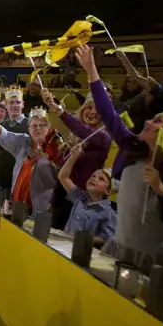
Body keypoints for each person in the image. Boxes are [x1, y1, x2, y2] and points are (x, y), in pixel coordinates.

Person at [76, 44, 163, 274]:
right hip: (121, 249)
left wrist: (162, 188)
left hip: (154, 261)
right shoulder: (131, 147)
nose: (148, 122)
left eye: (157, 123)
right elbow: (108, 113)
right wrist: (91, 70)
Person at [0, 102, 63, 214]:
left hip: (40, 209)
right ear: (29, 129)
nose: (38, 129)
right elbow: (2, 134)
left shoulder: (55, 149)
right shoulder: (22, 142)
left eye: (42, 125)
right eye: (34, 125)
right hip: (17, 203)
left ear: (48, 127)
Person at [43, 88, 112, 229]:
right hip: (62, 198)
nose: (92, 112)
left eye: (98, 109)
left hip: (81, 200)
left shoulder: (103, 137)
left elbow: (82, 130)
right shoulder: (74, 137)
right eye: (88, 107)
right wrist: (53, 201)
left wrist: (57, 109)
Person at [58, 144, 117, 246]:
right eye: (93, 176)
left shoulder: (108, 212)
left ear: (108, 191)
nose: (94, 179)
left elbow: (108, 237)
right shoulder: (79, 196)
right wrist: (73, 157)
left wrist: (84, 239)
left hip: (81, 250)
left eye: (101, 179)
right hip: (63, 244)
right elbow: (63, 177)